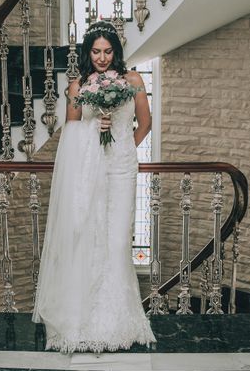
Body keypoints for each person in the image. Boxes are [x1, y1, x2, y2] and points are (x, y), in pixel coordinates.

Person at [32, 21, 157, 354]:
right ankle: (85, 317)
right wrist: (95, 127)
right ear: (89, 53)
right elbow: (71, 133)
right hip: (89, 168)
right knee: (89, 236)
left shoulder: (132, 81)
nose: (102, 58)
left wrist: (122, 146)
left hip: (121, 168)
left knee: (117, 241)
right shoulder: (77, 86)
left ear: (116, 51)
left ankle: (118, 320)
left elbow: (145, 123)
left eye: (108, 51)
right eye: (96, 51)